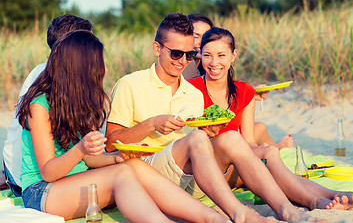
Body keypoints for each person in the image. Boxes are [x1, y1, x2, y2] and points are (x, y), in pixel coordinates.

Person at [105, 12, 324, 222]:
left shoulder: (192, 94)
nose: (182, 61)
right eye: (176, 53)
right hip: (149, 174)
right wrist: (152, 124)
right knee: (199, 139)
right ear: (157, 48)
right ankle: (240, 213)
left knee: (231, 138)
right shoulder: (130, 84)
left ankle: (287, 210)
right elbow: (111, 144)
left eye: (189, 55)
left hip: (191, 181)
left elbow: (195, 145)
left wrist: (208, 134)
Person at [16, 30, 230, 223]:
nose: (105, 69)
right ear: (79, 68)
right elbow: (48, 172)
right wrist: (80, 148)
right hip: (42, 191)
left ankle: (210, 217)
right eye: (99, 63)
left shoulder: (82, 101)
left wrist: (118, 157)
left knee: (133, 166)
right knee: (122, 175)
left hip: (74, 180)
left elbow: (89, 159)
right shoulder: (40, 106)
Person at [188, 26, 353, 211]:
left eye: (221, 55)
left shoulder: (245, 91)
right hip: (207, 169)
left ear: (233, 55)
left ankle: (338, 196)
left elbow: (249, 143)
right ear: (201, 56)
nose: (214, 62)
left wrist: (264, 149)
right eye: (207, 55)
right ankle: (315, 202)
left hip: (235, 165)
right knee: (269, 161)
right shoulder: (190, 89)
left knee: (269, 154)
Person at [3, 14, 93, 197]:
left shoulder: (55, 73)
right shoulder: (46, 79)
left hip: (45, 166)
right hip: (30, 177)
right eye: (87, 43)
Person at [183, 13, 293, 149]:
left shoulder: (206, 63)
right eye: (196, 36)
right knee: (257, 133)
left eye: (206, 35)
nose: (202, 41)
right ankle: (276, 148)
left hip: (224, 136)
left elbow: (223, 89)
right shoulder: (186, 66)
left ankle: (274, 148)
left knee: (260, 129)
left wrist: (251, 94)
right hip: (203, 143)